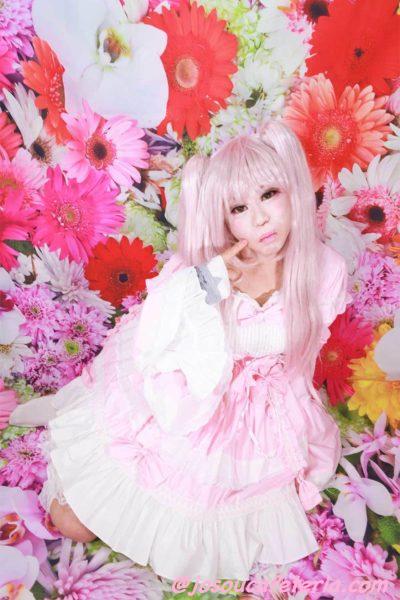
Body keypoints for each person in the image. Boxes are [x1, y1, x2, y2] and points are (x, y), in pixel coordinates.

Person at [10, 118, 352, 596]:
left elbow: (303, 359)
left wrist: (295, 435)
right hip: (193, 400)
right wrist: (209, 280)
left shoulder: (324, 270)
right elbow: (159, 339)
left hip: (261, 415)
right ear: (225, 218)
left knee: (224, 531)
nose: (260, 219)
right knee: (73, 522)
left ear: (293, 189)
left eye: (269, 194)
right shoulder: (207, 272)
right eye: (239, 207)